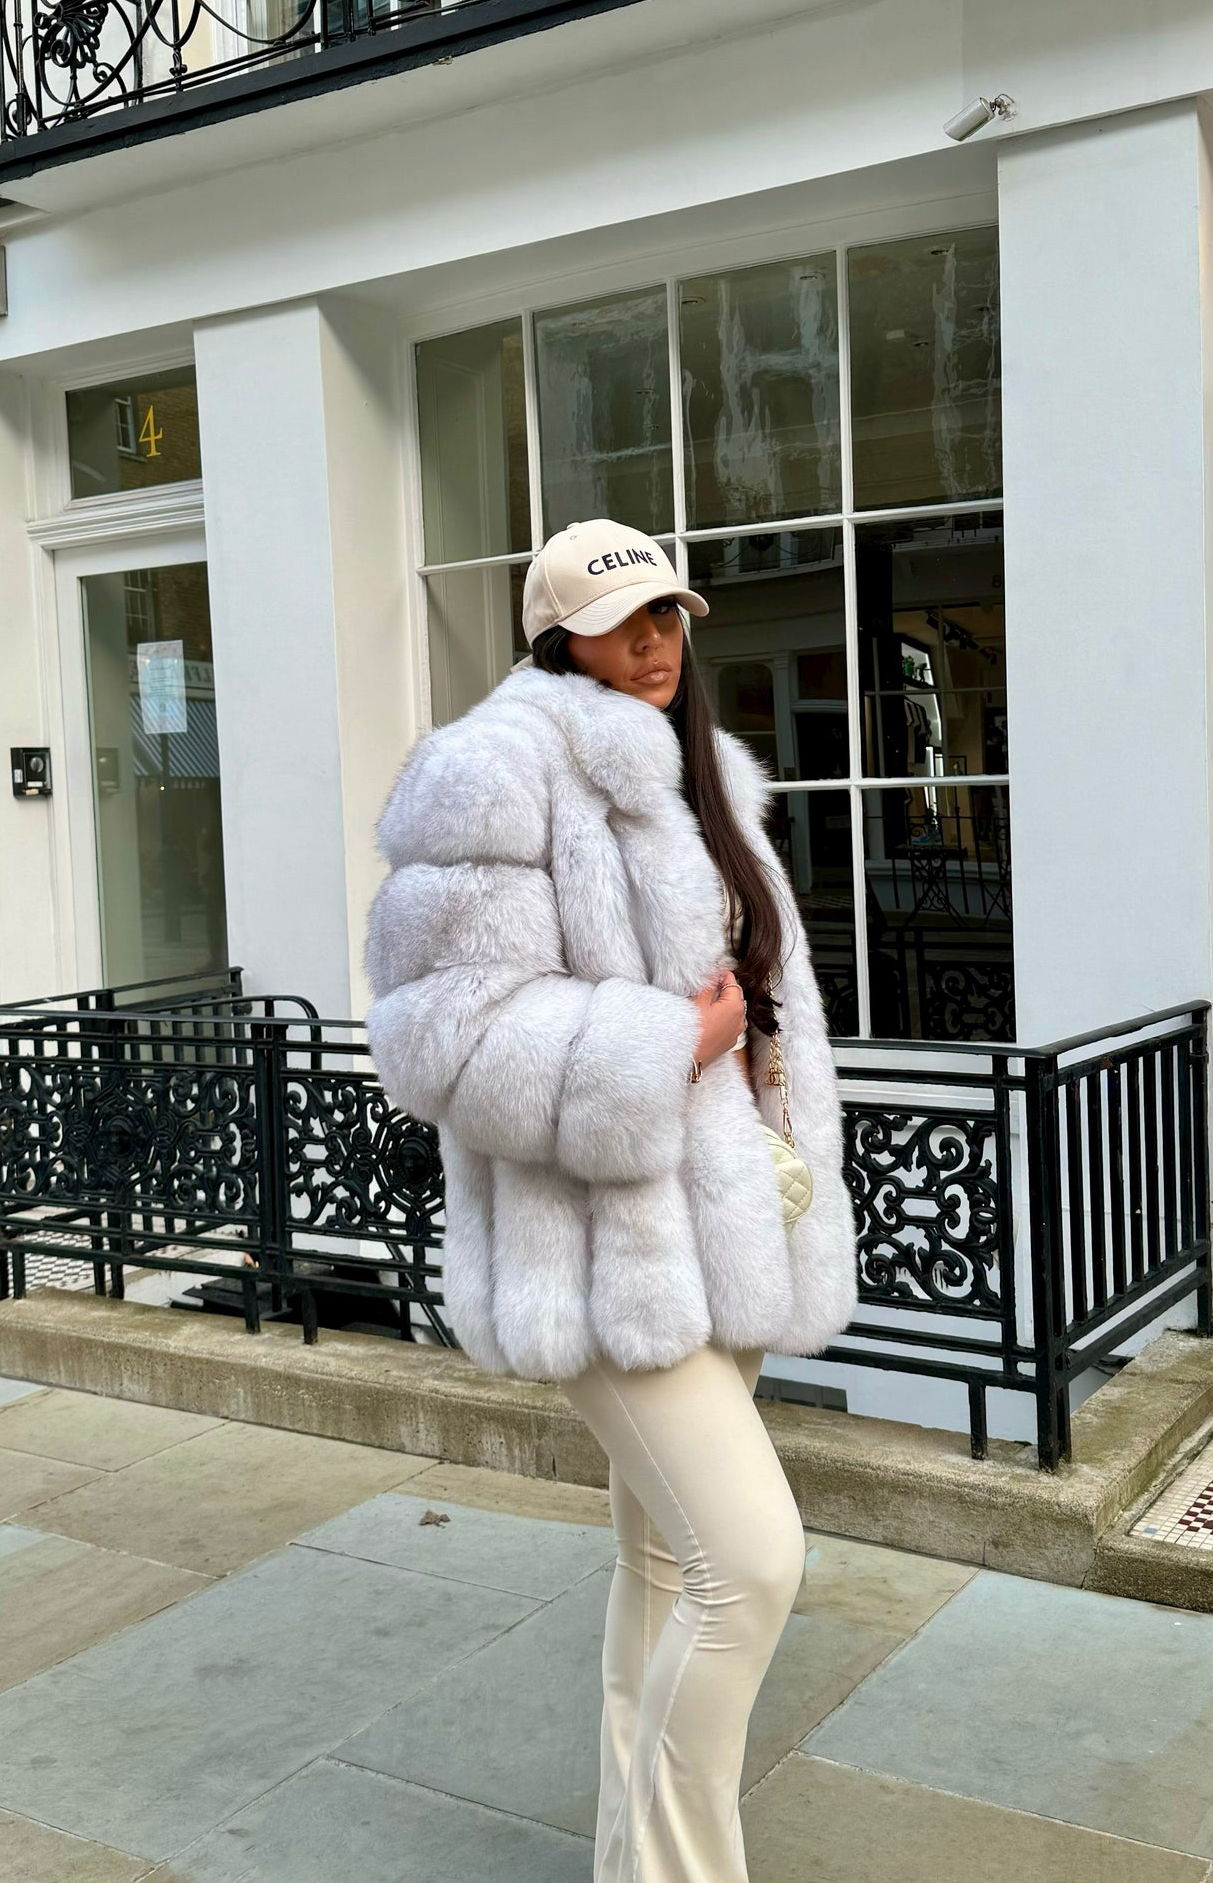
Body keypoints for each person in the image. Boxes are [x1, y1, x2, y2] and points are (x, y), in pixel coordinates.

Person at [366, 517, 858, 1883]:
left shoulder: (704, 774)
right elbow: (440, 1036)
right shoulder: (490, 767)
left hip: (725, 1229)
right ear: (554, 640)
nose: (650, 642)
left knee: (666, 1573)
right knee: (750, 1567)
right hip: (599, 1251)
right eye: (616, 622)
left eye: (666, 615)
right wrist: (670, 1044)